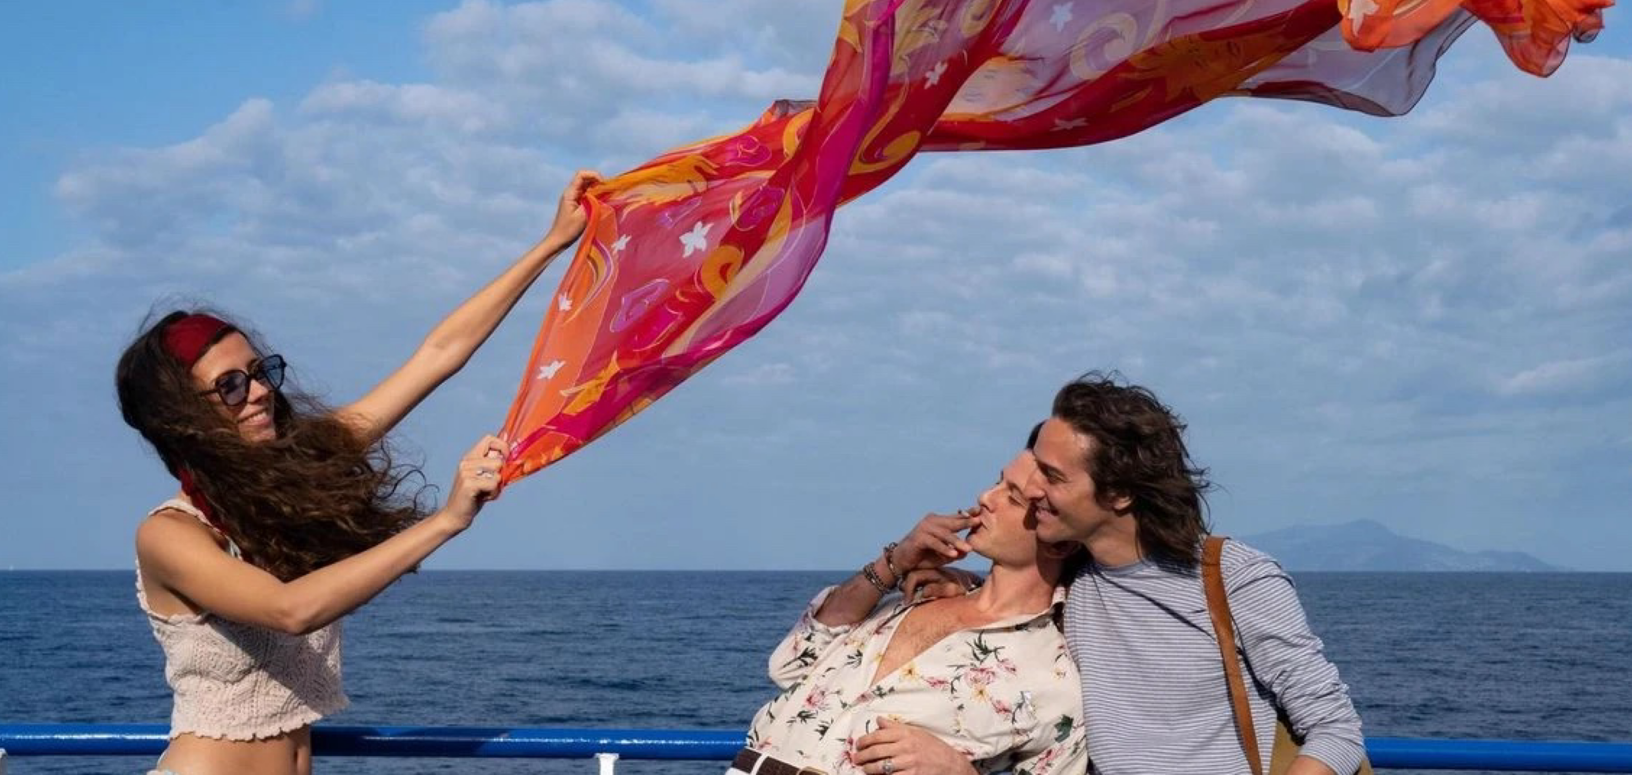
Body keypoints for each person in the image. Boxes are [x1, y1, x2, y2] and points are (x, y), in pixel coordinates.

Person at [117, 171, 599, 775]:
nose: (259, 392)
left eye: (260, 372)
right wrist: (446, 521)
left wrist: (551, 243)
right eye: (230, 386)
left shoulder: (294, 478)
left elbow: (438, 355)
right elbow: (291, 609)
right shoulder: (170, 535)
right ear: (182, 416)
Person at [898, 373, 1366, 775]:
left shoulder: (1233, 577)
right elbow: (1023, 597)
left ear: (1119, 493)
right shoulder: (1075, 582)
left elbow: (1335, 730)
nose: (1033, 489)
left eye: (1052, 476)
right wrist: (969, 586)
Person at [736, 443, 1087, 775]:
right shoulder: (914, 594)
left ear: (1061, 544)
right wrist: (894, 562)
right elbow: (791, 663)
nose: (985, 497)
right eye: (997, 482)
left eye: (1012, 497)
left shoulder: (1054, 682)